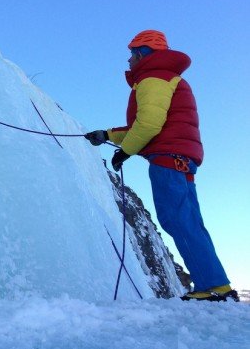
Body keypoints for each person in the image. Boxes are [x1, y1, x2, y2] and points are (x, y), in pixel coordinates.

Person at [85, 30, 238, 302]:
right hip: (180, 158)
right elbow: (143, 125)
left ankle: (212, 288)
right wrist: (107, 135)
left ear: (144, 53)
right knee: (189, 222)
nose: (129, 60)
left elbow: (149, 124)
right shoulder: (165, 77)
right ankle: (217, 285)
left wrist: (126, 151)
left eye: (132, 54)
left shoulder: (153, 77)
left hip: (168, 158)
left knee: (177, 219)